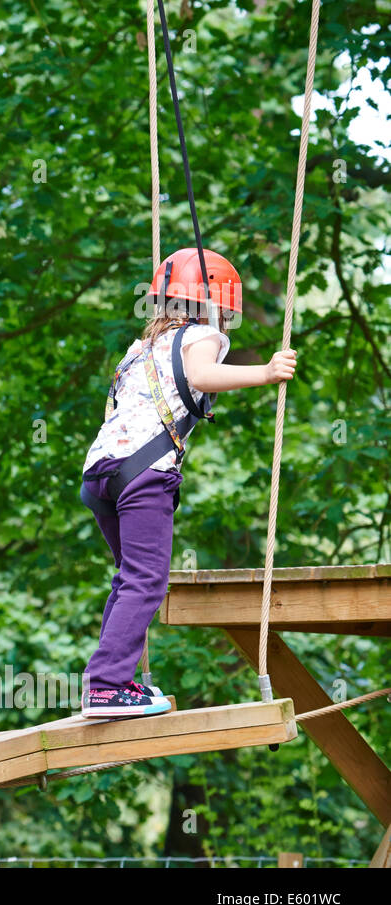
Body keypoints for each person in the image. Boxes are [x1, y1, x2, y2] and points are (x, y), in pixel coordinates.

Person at [78, 248, 297, 718]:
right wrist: (266, 371)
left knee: (129, 580)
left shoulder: (142, 346)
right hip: (143, 475)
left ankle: (112, 681)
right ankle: (106, 686)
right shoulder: (205, 336)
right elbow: (200, 375)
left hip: (100, 474)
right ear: (213, 304)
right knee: (146, 581)